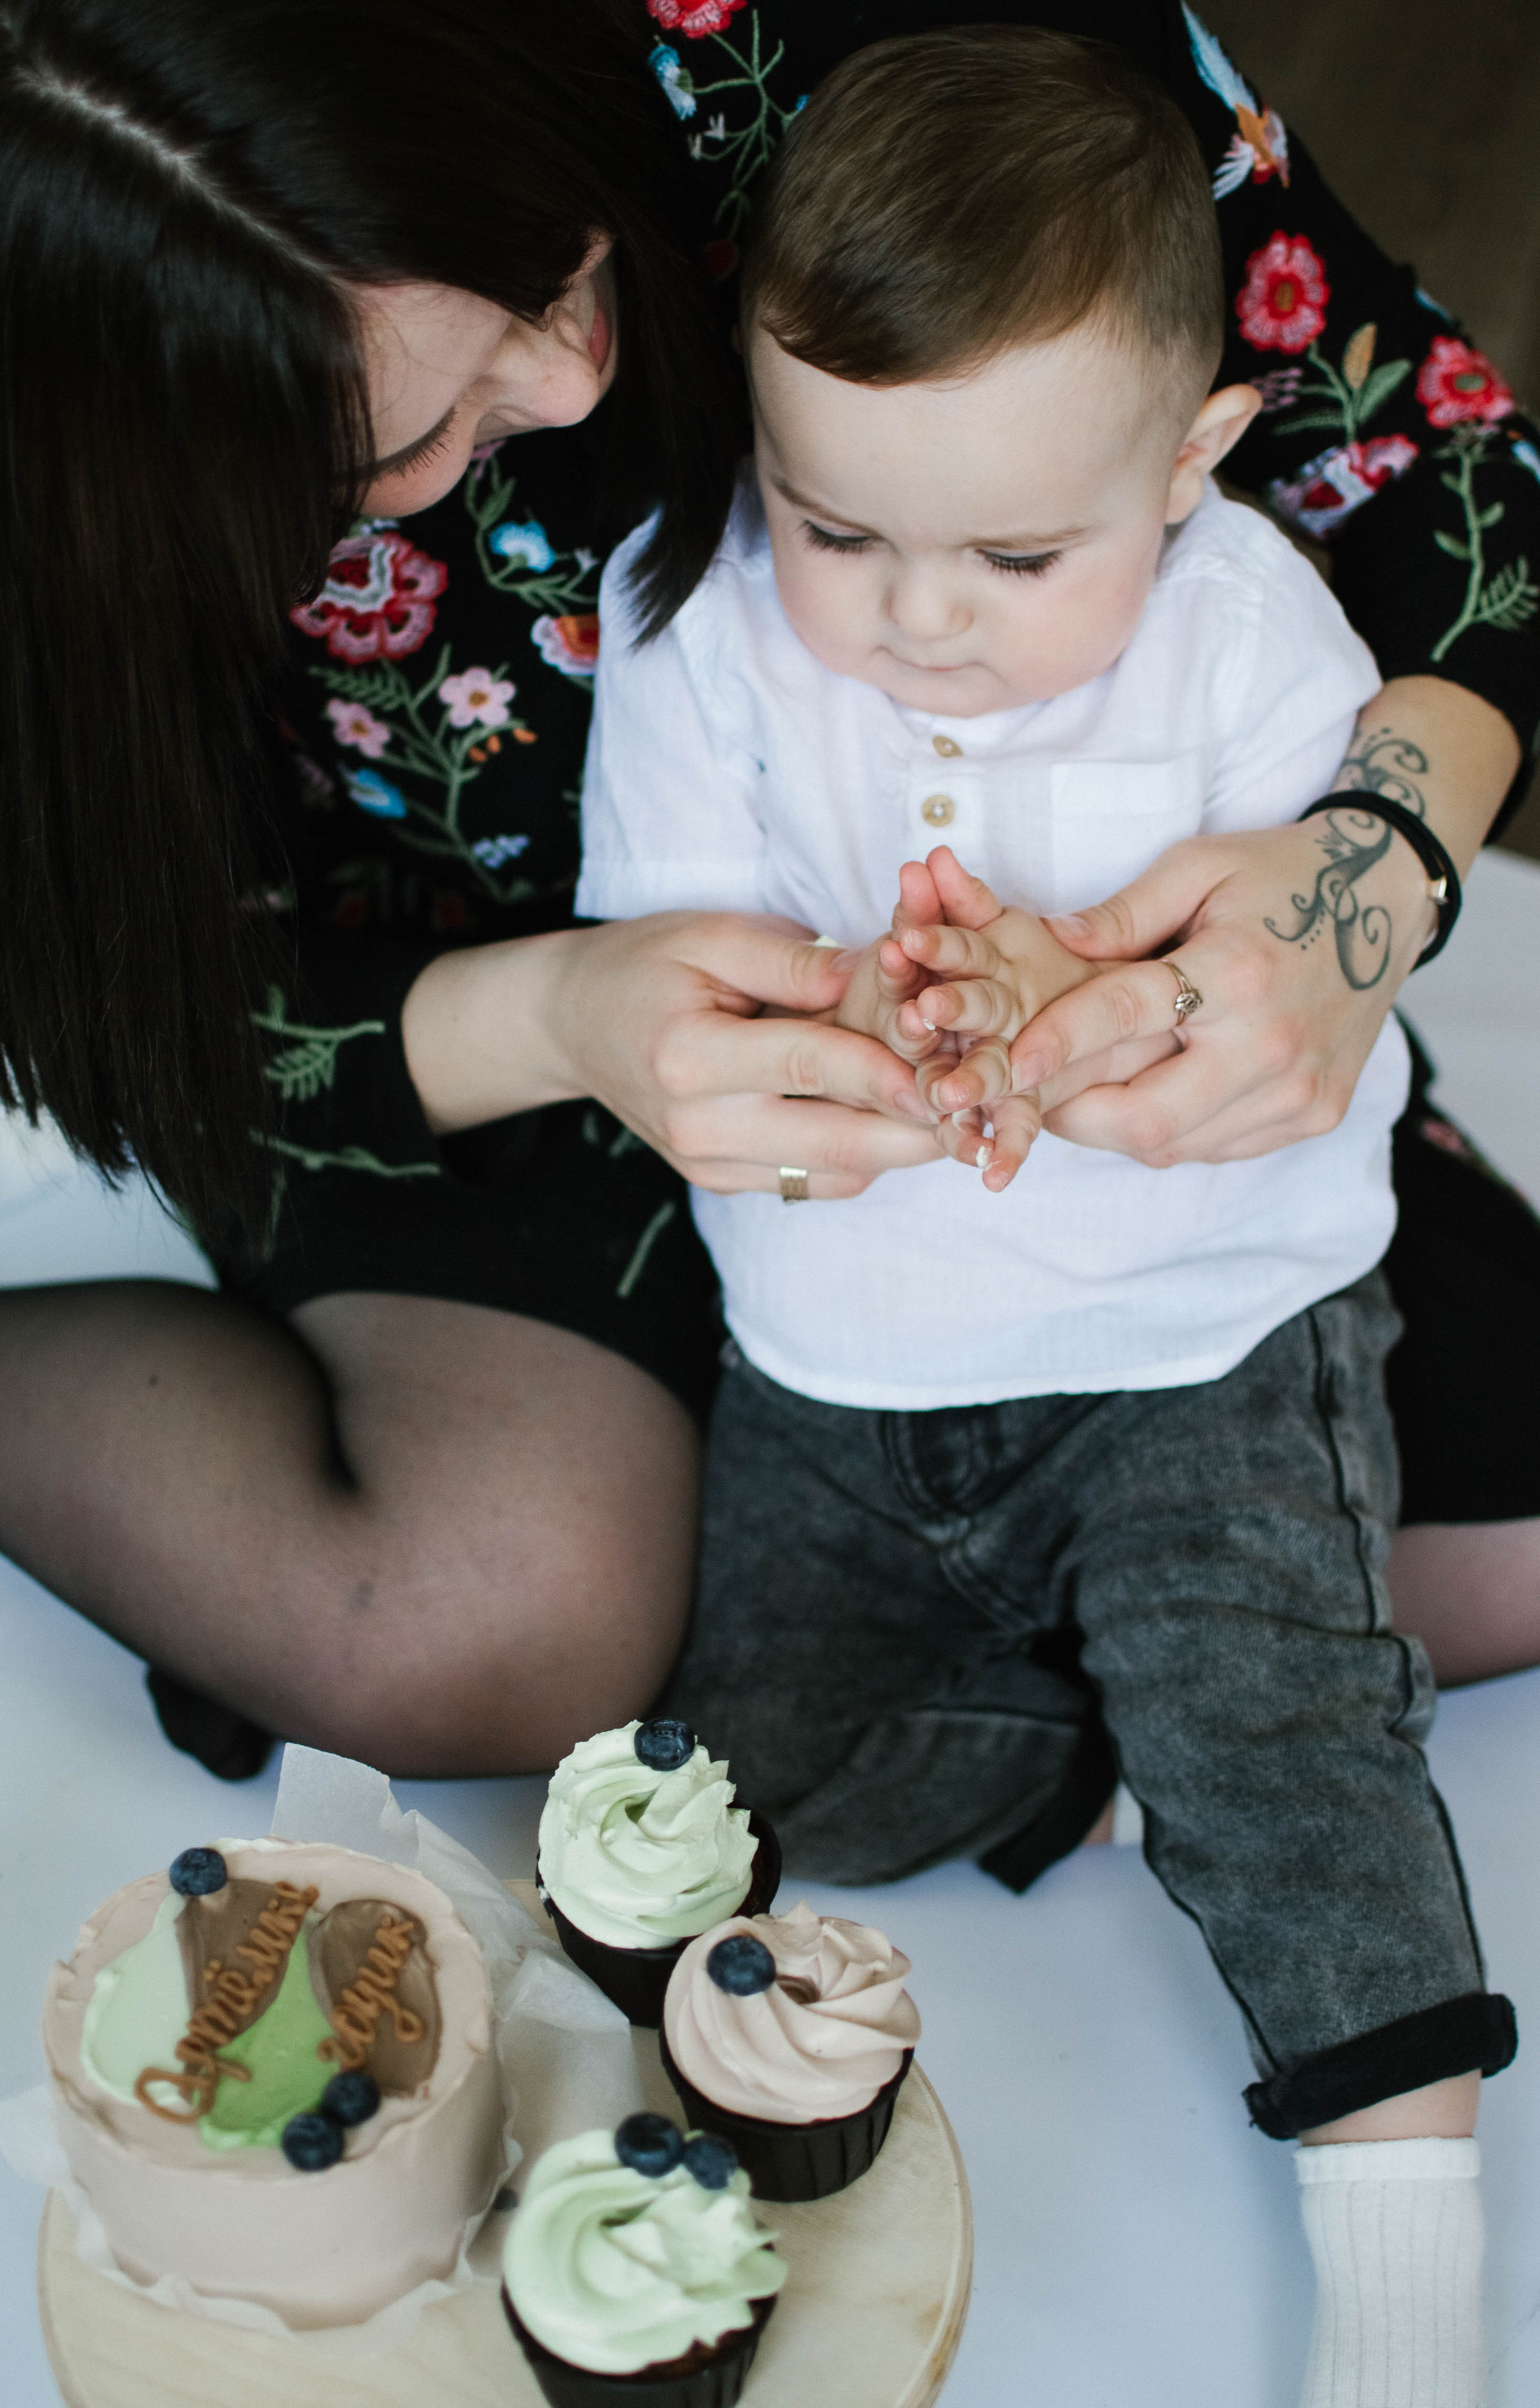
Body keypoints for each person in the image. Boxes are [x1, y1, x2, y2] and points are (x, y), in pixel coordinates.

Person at [0, 0, 1534, 1785]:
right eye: (393, 450)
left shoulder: (885, 43)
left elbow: (1444, 469)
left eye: (548, 265)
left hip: (1053, 1004)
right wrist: (563, 1015)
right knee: (488, 1623)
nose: (565, 386)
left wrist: (1368, 874)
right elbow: (118, 1002)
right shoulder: (8, 467)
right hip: (472, 1023)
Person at [577, 33, 1512, 2404]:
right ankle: (1091, 1748)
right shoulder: (695, 628)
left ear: (1188, 467)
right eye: (840, 525)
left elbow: (1277, 988)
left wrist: (1090, 997)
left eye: (1014, 557)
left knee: (1297, 1760)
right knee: (767, 1799)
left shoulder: (1255, 639)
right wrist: (857, 1021)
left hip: (1207, 1340)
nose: (913, 621)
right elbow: (675, 983)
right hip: (849, 1366)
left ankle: (1409, 2278)